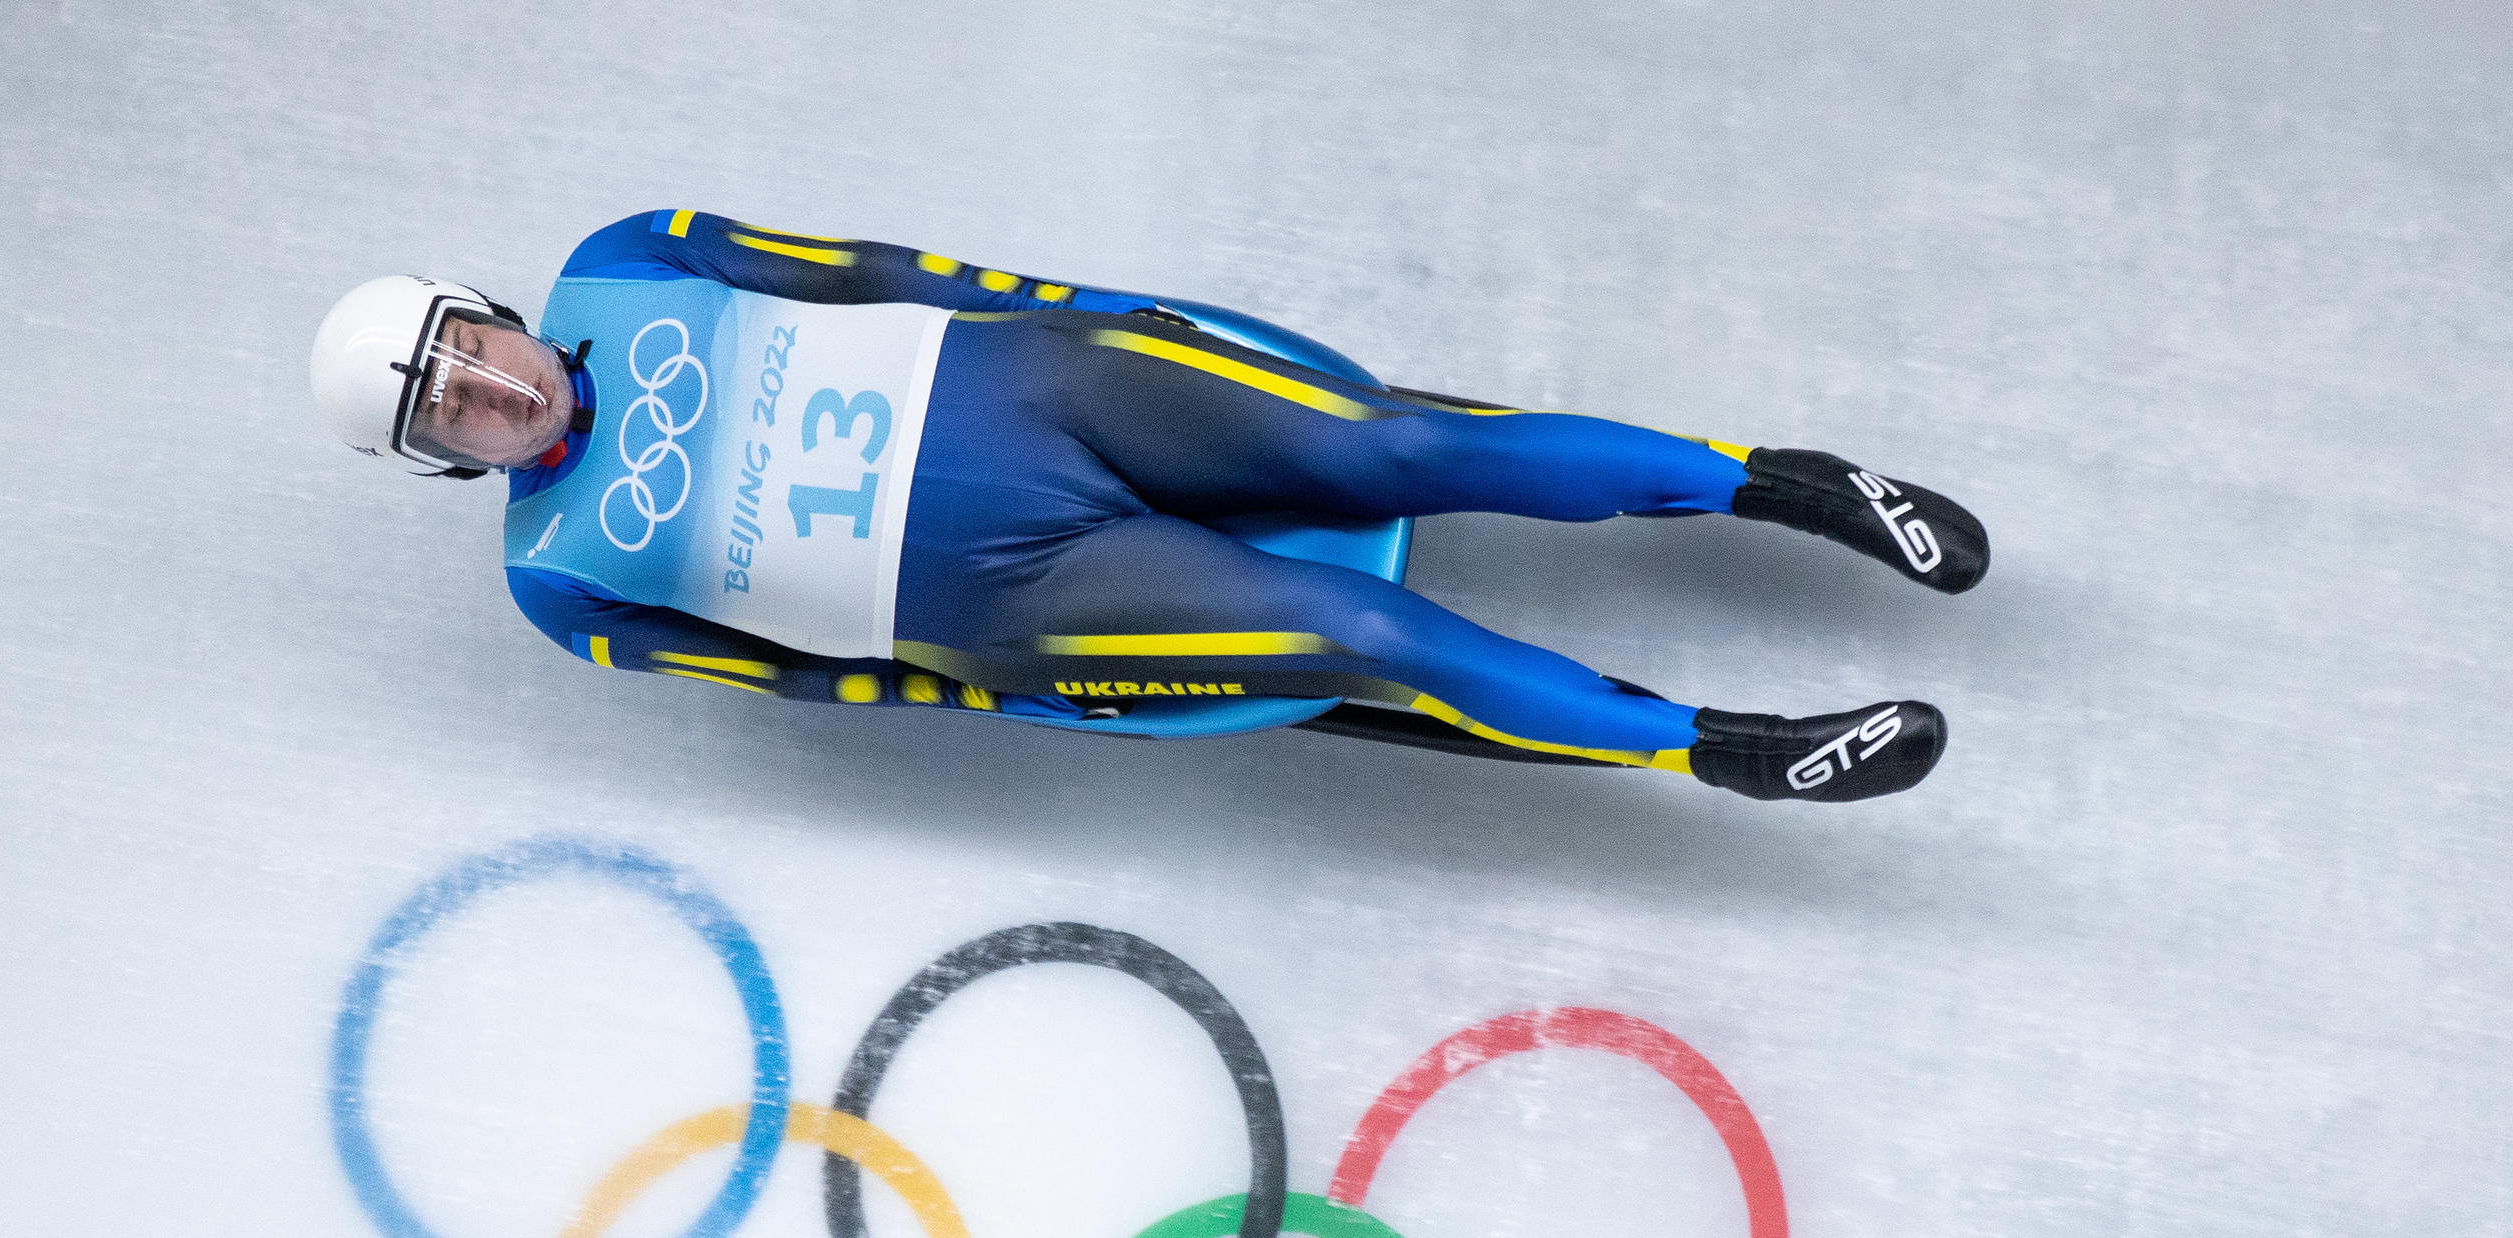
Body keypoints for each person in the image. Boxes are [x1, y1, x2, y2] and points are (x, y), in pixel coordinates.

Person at [310, 210, 1988, 802]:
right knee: (1364, 631)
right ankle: (1729, 750)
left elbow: (880, 270)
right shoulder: (561, 584)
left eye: (466, 351)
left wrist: (1087, 317)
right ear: (447, 460)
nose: (487, 390)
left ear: (489, 311)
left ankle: (1785, 483)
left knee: (1399, 448)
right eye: (445, 408)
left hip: (1046, 388)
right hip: (1016, 596)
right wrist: (995, 695)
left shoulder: (631, 257)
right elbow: (799, 676)